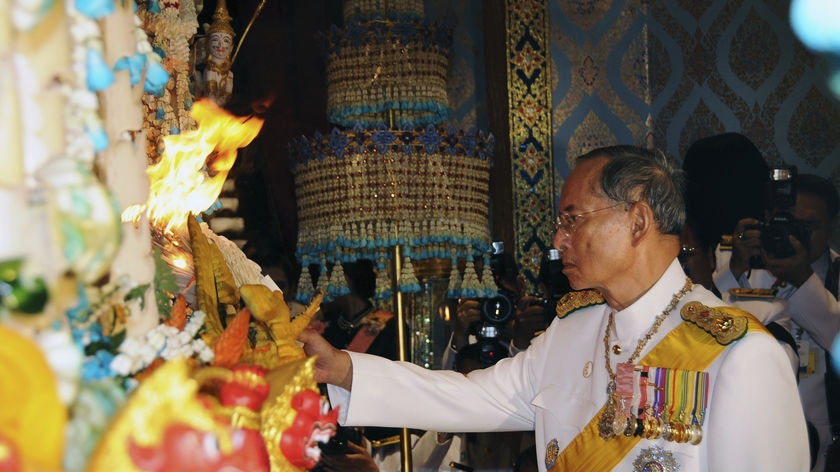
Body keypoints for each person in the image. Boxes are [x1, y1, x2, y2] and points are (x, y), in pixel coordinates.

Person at [299, 145, 810, 471]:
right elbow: (478, 400)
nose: (558, 238)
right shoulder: (575, 327)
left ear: (637, 220)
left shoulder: (737, 352)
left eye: (573, 219)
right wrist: (344, 369)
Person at [714, 172, 840, 471]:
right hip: (751, 431)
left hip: (824, 436)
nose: (795, 234)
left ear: (833, 224)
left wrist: (803, 280)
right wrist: (733, 271)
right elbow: (705, 330)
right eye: (786, 222)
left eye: (807, 226)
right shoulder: (735, 262)